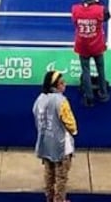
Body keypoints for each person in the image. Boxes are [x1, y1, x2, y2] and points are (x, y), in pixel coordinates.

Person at [33, 70, 78, 202]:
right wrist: (74, 131)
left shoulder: (40, 99)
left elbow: (36, 118)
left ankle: (49, 198)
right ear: (55, 86)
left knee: (48, 173)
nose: (65, 85)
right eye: (62, 83)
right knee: (61, 177)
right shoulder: (61, 101)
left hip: (45, 144)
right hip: (61, 146)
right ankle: (59, 200)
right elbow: (70, 123)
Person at [72, 0, 110, 107]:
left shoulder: (76, 9)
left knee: (86, 71)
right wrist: (98, 3)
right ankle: (103, 94)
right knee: (100, 69)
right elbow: (107, 17)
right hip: (97, 45)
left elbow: (75, 21)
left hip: (82, 45)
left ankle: (89, 98)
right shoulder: (100, 10)